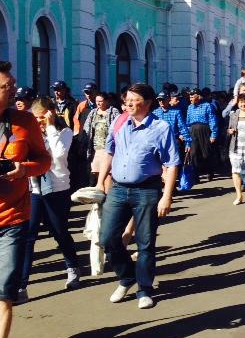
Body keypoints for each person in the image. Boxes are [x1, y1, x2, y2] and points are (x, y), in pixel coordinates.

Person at [0, 61, 50, 338]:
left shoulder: (24, 121)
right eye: (7, 87)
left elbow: (44, 160)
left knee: (1, 297)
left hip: (11, 221)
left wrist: (21, 170)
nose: (15, 91)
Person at [96, 82, 180, 309]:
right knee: (107, 238)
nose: (129, 104)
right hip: (118, 188)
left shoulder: (160, 128)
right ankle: (126, 277)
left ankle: (144, 288)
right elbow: (109, 151)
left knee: (145, 242)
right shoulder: (119, 121)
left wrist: (167, 196)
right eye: (127, 100)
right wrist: (100, 181)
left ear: (148, 103)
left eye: (135, 100)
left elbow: (171, 164)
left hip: (147, 190)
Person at [18, 98, 82, 303]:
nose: (38, 123)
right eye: (35, 119)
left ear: (51, 114)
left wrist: (52, 127)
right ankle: (21, 286)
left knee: (60, 232)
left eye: (41, 119)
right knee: (29, 237)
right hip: (34, 189)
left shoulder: (64, 132)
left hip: (57, 190)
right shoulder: (31, 134)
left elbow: (58, 156)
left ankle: (72, 268)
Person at [84, 92, 120, 193]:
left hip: (108, 148)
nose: (98, 103)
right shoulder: (93, 112)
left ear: (107, 101)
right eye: (97, 101)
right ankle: (100, 195)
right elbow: (87, 128)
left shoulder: (113, 111)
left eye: (101, 101)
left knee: (108, 172)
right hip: (96, 148)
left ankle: (107, 195)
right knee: (97, 172)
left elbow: (118, 127)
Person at [186, 88, 217, 182]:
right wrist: (187, 133)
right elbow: (187, 121)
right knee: (193, 153)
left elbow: (212, 120)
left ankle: (209, 171)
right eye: (189, 97)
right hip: (193, 130)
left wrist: (213, 134)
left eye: (192, 96)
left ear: (198, 96)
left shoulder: (207, 106)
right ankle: (195, 175)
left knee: (206, 153)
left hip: (204, 130)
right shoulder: (190, 107)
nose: (190, 99)